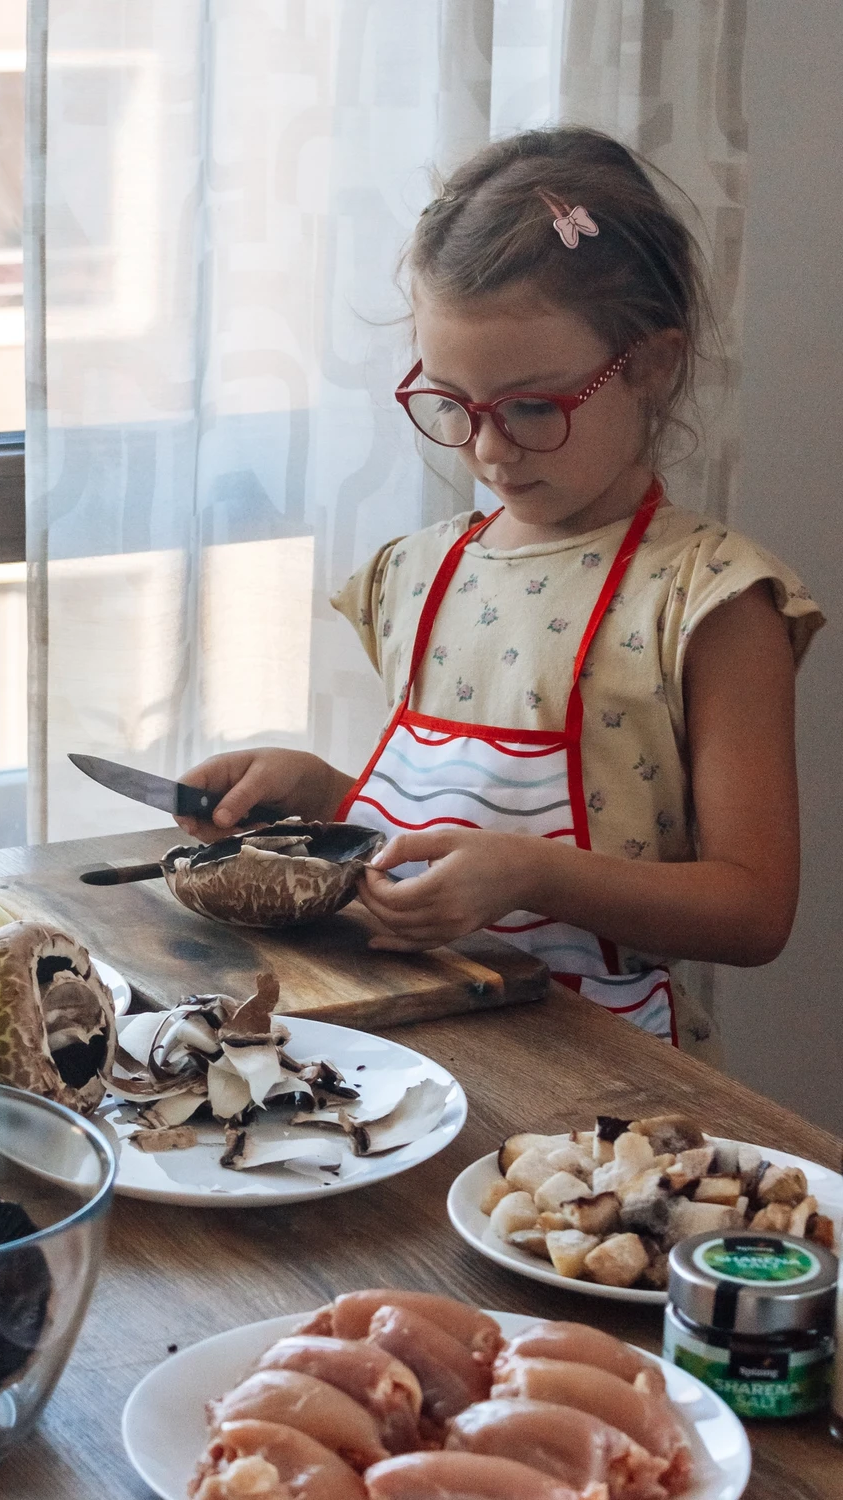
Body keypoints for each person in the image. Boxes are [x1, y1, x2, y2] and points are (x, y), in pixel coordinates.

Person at [176, 127, 823, 1061]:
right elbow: (445, 821)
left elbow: (755, 911)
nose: (487, 449)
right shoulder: (420, 573)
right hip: (410, 1048)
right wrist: (319, 795)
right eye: (453, 404)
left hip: (607, 1084)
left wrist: (529, 875)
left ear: (651, 364)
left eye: (531, 407)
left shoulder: (710, 602)